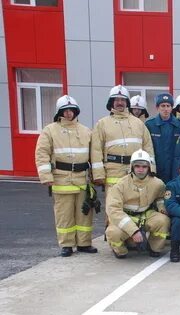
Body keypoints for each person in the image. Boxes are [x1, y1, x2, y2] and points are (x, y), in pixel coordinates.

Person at [35, 95, 97, 257]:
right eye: (65, 110)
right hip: (61, 178)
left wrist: (96, 175)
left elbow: (94, 155)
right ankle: (67, 244)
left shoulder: (85, 131)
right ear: (59, 112)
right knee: (64, 215)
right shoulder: (50, 131)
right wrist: (45, 176)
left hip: (82, 179)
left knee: (84, 214)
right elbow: (42, 154)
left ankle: (84, 243)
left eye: (71, 110)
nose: (69, 113)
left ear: (76, 111)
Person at [105, 149, 169, 259]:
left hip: (145, 215)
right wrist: (133, 231)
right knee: (113, 232)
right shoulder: (120, 185)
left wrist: (161, 207)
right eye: (137, 166)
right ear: (132, 167)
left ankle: (155, 248)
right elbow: (114, 210)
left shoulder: (157, 183)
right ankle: (120, 251)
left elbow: (160, 197)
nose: (141, 170)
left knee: (163, 220)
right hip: (126, 216)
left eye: (144, 167)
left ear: (149, 167)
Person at [90, 85, 155, 190]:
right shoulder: (102, 124)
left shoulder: (138, 123)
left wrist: (152, 170)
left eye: (122, 100)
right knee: (114, 205)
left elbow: (148, 147)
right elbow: (96, 151)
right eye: (116, 100)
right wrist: (98, 175)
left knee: (134, 205)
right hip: (113, 174)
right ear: (111, 102)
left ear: (127, 102)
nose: (120, 102)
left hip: (135, 172)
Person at [145, 92, 180, 184]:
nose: (165, 109)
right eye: (162, 106)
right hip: (156, 169)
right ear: (157, 107)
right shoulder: (150, 125)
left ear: (172, 108)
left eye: (168, 106)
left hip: (175, 169)